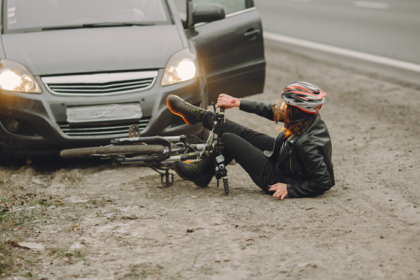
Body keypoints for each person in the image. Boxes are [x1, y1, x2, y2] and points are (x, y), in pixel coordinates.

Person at [166, 81, 334, 200]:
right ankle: (201, 116)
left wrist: (290, 189)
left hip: (276, 177)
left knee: (229, 139)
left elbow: (324, 181)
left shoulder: (307, 144)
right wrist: (237, 102)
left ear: (299, 111)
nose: (284, 107)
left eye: (288, 106)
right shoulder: (305, 118)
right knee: (244, 132)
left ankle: (201, 174)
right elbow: (270, 110)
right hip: (286, 157)